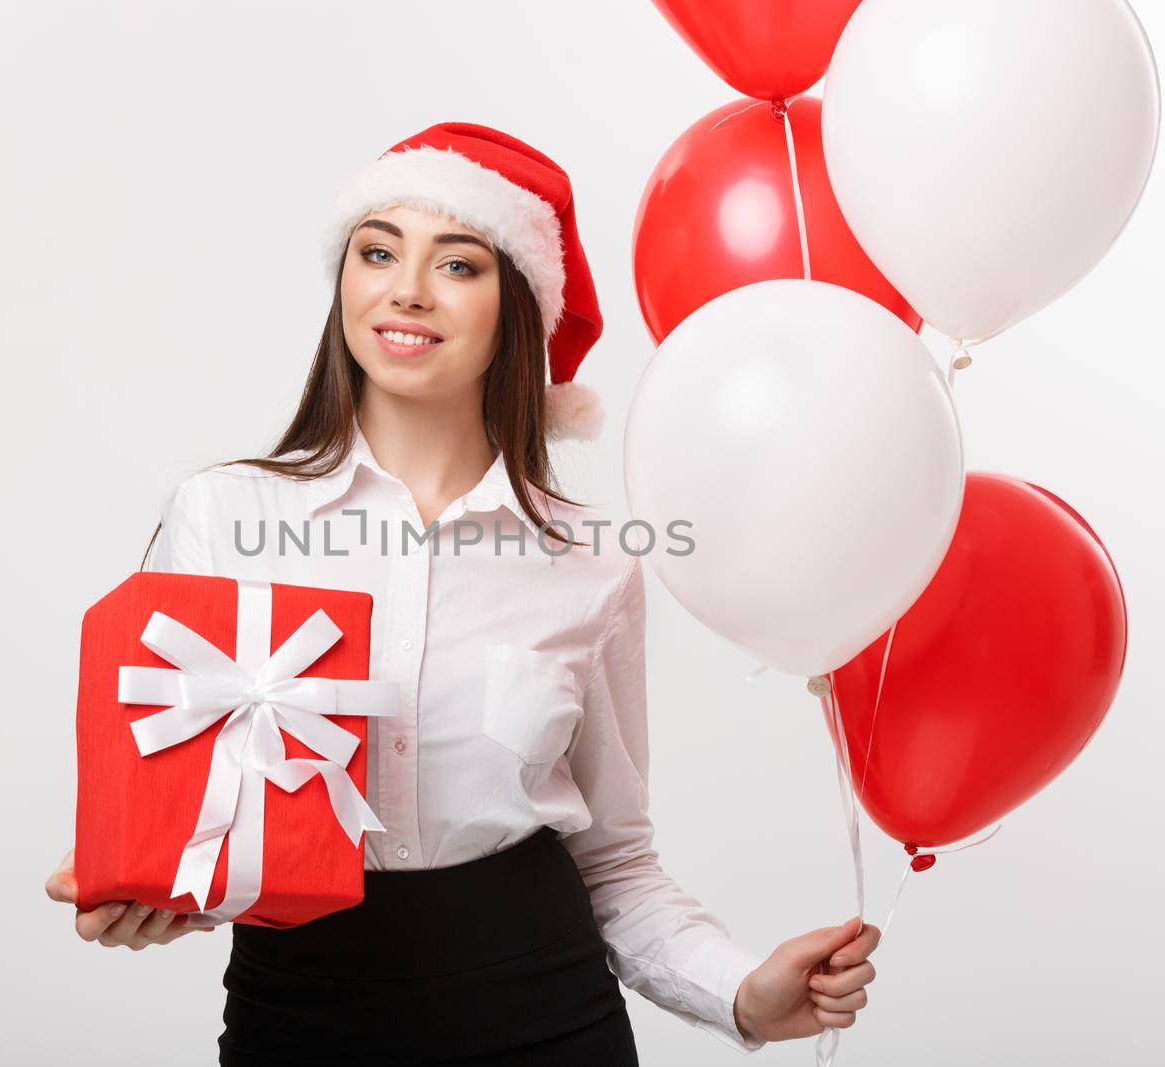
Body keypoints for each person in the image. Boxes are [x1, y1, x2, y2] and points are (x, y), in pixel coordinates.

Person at [45, 122, 880, 1064]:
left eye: (458, 264)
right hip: (302, 1020)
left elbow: (613, 861)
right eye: (377, 252)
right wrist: (156, 895)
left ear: (515, 309)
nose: (406, 288)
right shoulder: (223, 517)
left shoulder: (591, 560)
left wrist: (743, 993)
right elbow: (191, 825)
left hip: (544, 1016)